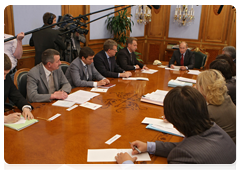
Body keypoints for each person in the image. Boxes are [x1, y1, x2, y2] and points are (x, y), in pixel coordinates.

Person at [115, 86, 237, 170]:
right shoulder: (215, 130)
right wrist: (149, 146)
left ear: (173, 122)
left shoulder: (187, 156)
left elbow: (187, 152)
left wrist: (127, 163)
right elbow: (187, 147)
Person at [196, 69, 238, 146]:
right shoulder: (226, 98)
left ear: (202, 88)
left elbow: (194, 134)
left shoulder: (210, 111)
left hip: (222, 148)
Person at [4, 54, 34, 123]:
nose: (4, 78)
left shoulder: (6, 78)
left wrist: (25, 108)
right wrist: (4, 119)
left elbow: (16, 95)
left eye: (6, 74)